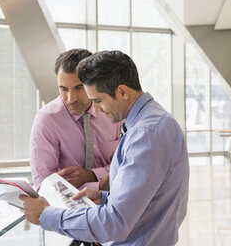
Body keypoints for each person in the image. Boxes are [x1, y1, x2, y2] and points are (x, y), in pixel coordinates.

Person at [21, 50, 189, 245]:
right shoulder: (154, 121)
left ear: (123, 92)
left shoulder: (145, 134)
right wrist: (105, 197)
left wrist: (46, 215)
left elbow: (114, 223)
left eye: (98, 101)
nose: (97, 109)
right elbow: (147, 196)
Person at [29, 48, 121, 191]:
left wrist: (90, 175)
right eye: (63, 89)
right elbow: (45, 186)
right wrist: (99, 185)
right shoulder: (47, 120)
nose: (71, 99)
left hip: (115, 204)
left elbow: (126, 165)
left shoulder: (113, 112)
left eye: (79, 88)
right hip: (66, 209)